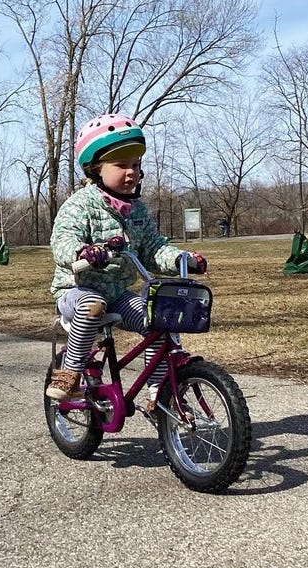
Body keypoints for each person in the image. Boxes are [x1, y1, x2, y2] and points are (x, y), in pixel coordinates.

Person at [47, 113, 207, 410]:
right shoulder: (79, 205)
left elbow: (154, 248)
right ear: (96, 169)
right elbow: (63, 240)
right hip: (76, 290)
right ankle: (69, 373)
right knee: (91, 305)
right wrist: (82, 252)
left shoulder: (137, 210)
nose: (131, 172)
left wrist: (182, 258)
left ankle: (158, 391)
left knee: (159, 316)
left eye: (135, 164)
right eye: (121, 165)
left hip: (118, 294)